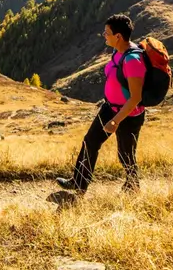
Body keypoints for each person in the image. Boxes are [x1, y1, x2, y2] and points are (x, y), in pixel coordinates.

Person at [57, 13, 146, 195]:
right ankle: (79, 182)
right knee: (90, 141)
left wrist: (116, 121)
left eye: (106, 33)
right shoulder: (117, 52)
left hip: (128, 115)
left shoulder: (133, 60)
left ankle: (133, 185)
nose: (103, 35)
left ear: (118, 36)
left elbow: (135, 97)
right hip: (109, 107)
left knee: (126, 154)